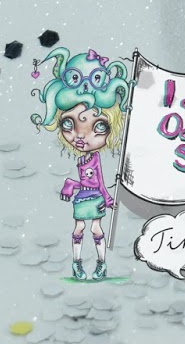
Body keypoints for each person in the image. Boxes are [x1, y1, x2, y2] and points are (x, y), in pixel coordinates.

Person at [31, 47, 129, 280]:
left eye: (99, 127)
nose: (81, 136)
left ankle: (101, 264)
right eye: (68, 124)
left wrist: (106, 198)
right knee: (79, 228)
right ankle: (77, 264)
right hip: (82, 198)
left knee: (94, 228)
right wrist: (72, 185)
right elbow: (85, 182)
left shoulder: (94, 159)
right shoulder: (83, 158)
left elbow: (98, 182)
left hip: (94, 198)